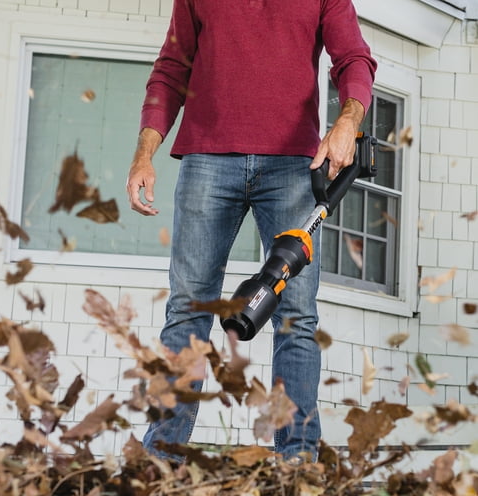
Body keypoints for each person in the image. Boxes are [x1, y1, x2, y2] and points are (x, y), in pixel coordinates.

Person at [126, 0, 377, 463]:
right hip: (206, 161)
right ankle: (161, 460)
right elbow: (171, 68)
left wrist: (347, 121)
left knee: (296, 316)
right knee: (188, 309)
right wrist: (145, 153)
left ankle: (296, 463)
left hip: (292, 168)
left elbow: (354, 58)